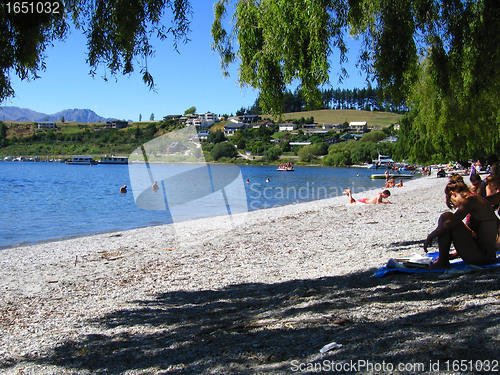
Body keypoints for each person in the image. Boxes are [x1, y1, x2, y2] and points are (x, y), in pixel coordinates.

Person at [424, 180, 498, 270]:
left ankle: (442, 262)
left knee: (446, 217)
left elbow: (450, 224)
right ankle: (443, 260)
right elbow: (476, 233)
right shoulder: (478, 199)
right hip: (488, 256)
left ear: (453, 194)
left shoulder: (471, 201)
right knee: (448, 218)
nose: (456, 206)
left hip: (481, 257)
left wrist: (431, 236)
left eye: (452, 202)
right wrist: (456, 252)